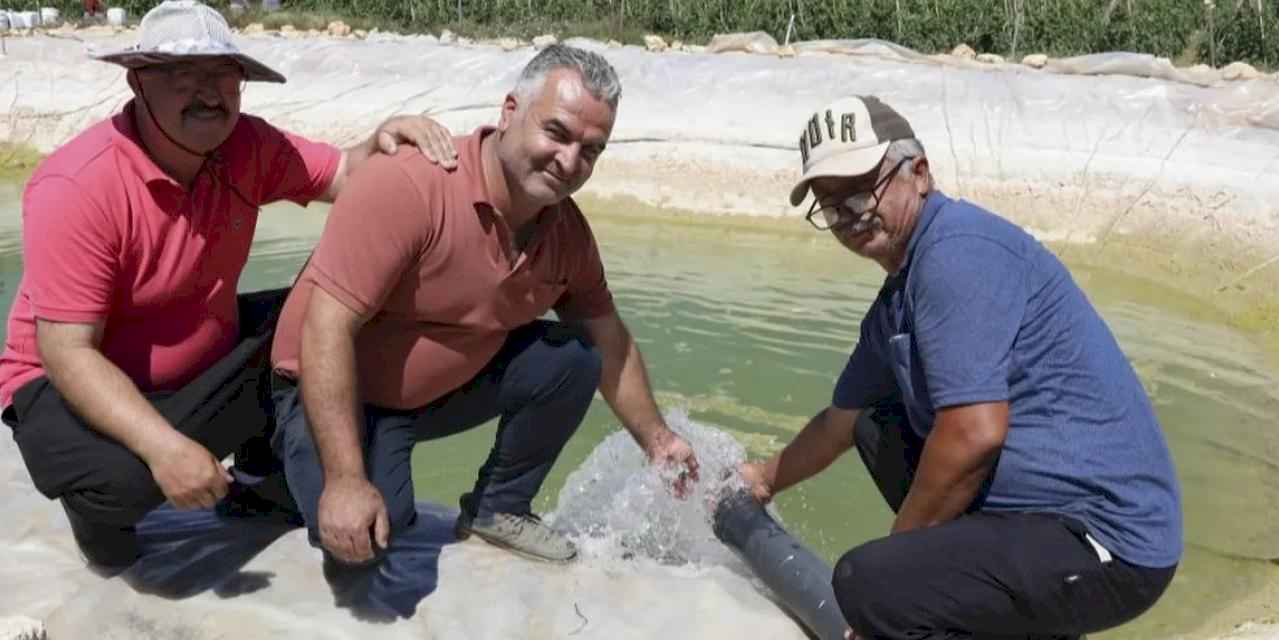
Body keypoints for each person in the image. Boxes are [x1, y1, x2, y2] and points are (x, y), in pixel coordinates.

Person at [0, 0, 456, 575]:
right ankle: (96, 510)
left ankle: (260, 478)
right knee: (124, 483)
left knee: (318, 318)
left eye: (223, 74)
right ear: (138, 82)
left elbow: (345, 174)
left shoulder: (248, 147)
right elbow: (66, 351)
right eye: (182, 75)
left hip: (197, 359)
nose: (208, 92)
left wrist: (389, 139)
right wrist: (166, 449)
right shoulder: (79, 184)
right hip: (62, 380)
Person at [739, 95, 1182, 639]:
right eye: (831, 206)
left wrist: (891, 586)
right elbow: (840, 420)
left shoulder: (956, 252)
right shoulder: (898, 297)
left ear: (919, 173)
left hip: (1107, 540)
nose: (849, 215)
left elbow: (974, 432)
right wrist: (762, 479)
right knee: (874, 424)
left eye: (860, 190)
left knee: (863, 581)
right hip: (1033, 517)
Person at [268, 43, 700, 570]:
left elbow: (611, 340)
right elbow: (325, 328)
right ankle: (269, 462)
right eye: (557, 133)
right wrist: (343, 481)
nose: (569, 162)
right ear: (510, 111)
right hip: (326, 389)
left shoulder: (567, 234)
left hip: (418, 401)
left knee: (575, 355)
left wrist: (657, 441)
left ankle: (499, 508)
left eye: (591, 150)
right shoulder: (411, 184)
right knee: (370, 541)